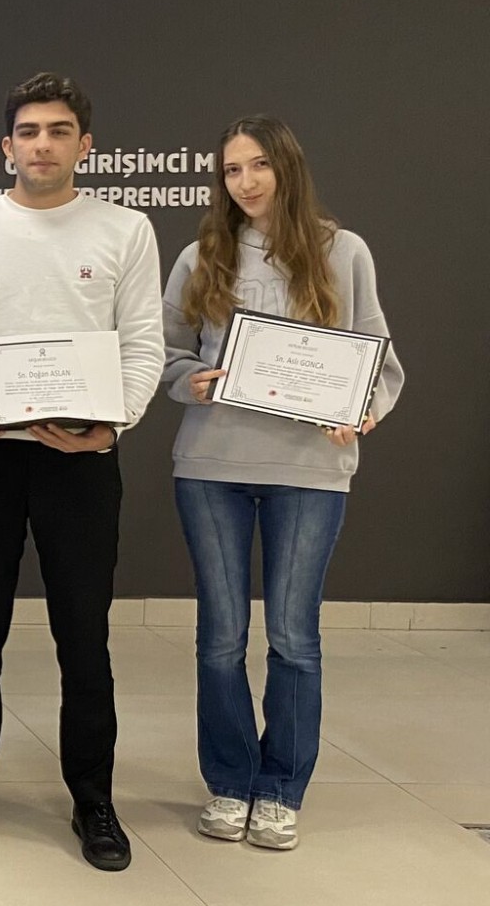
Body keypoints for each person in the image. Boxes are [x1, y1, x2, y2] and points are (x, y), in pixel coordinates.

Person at [0, 72, 164, 871]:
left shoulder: (125, 230)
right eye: (28, 131)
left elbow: (143, 343)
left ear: (84, 145)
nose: (43, 144)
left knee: (84, 638)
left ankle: (94, 799)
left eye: (59, 131)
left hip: (81, 463)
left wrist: (111, 425)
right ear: (6, 146)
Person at [163, 116, 404, 851]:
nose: (246, 181)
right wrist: (190, 380)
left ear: (288, 168)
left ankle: (280, 790)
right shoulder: (201, 255)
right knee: (220, 637)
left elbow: (377, 357)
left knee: (295, 638)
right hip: (212, 467)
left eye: (259, 165)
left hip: (310, 471)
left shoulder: (344, 251)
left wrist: (359, 409)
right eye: (233, 170)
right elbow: (166, 353)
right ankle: (231, 780)